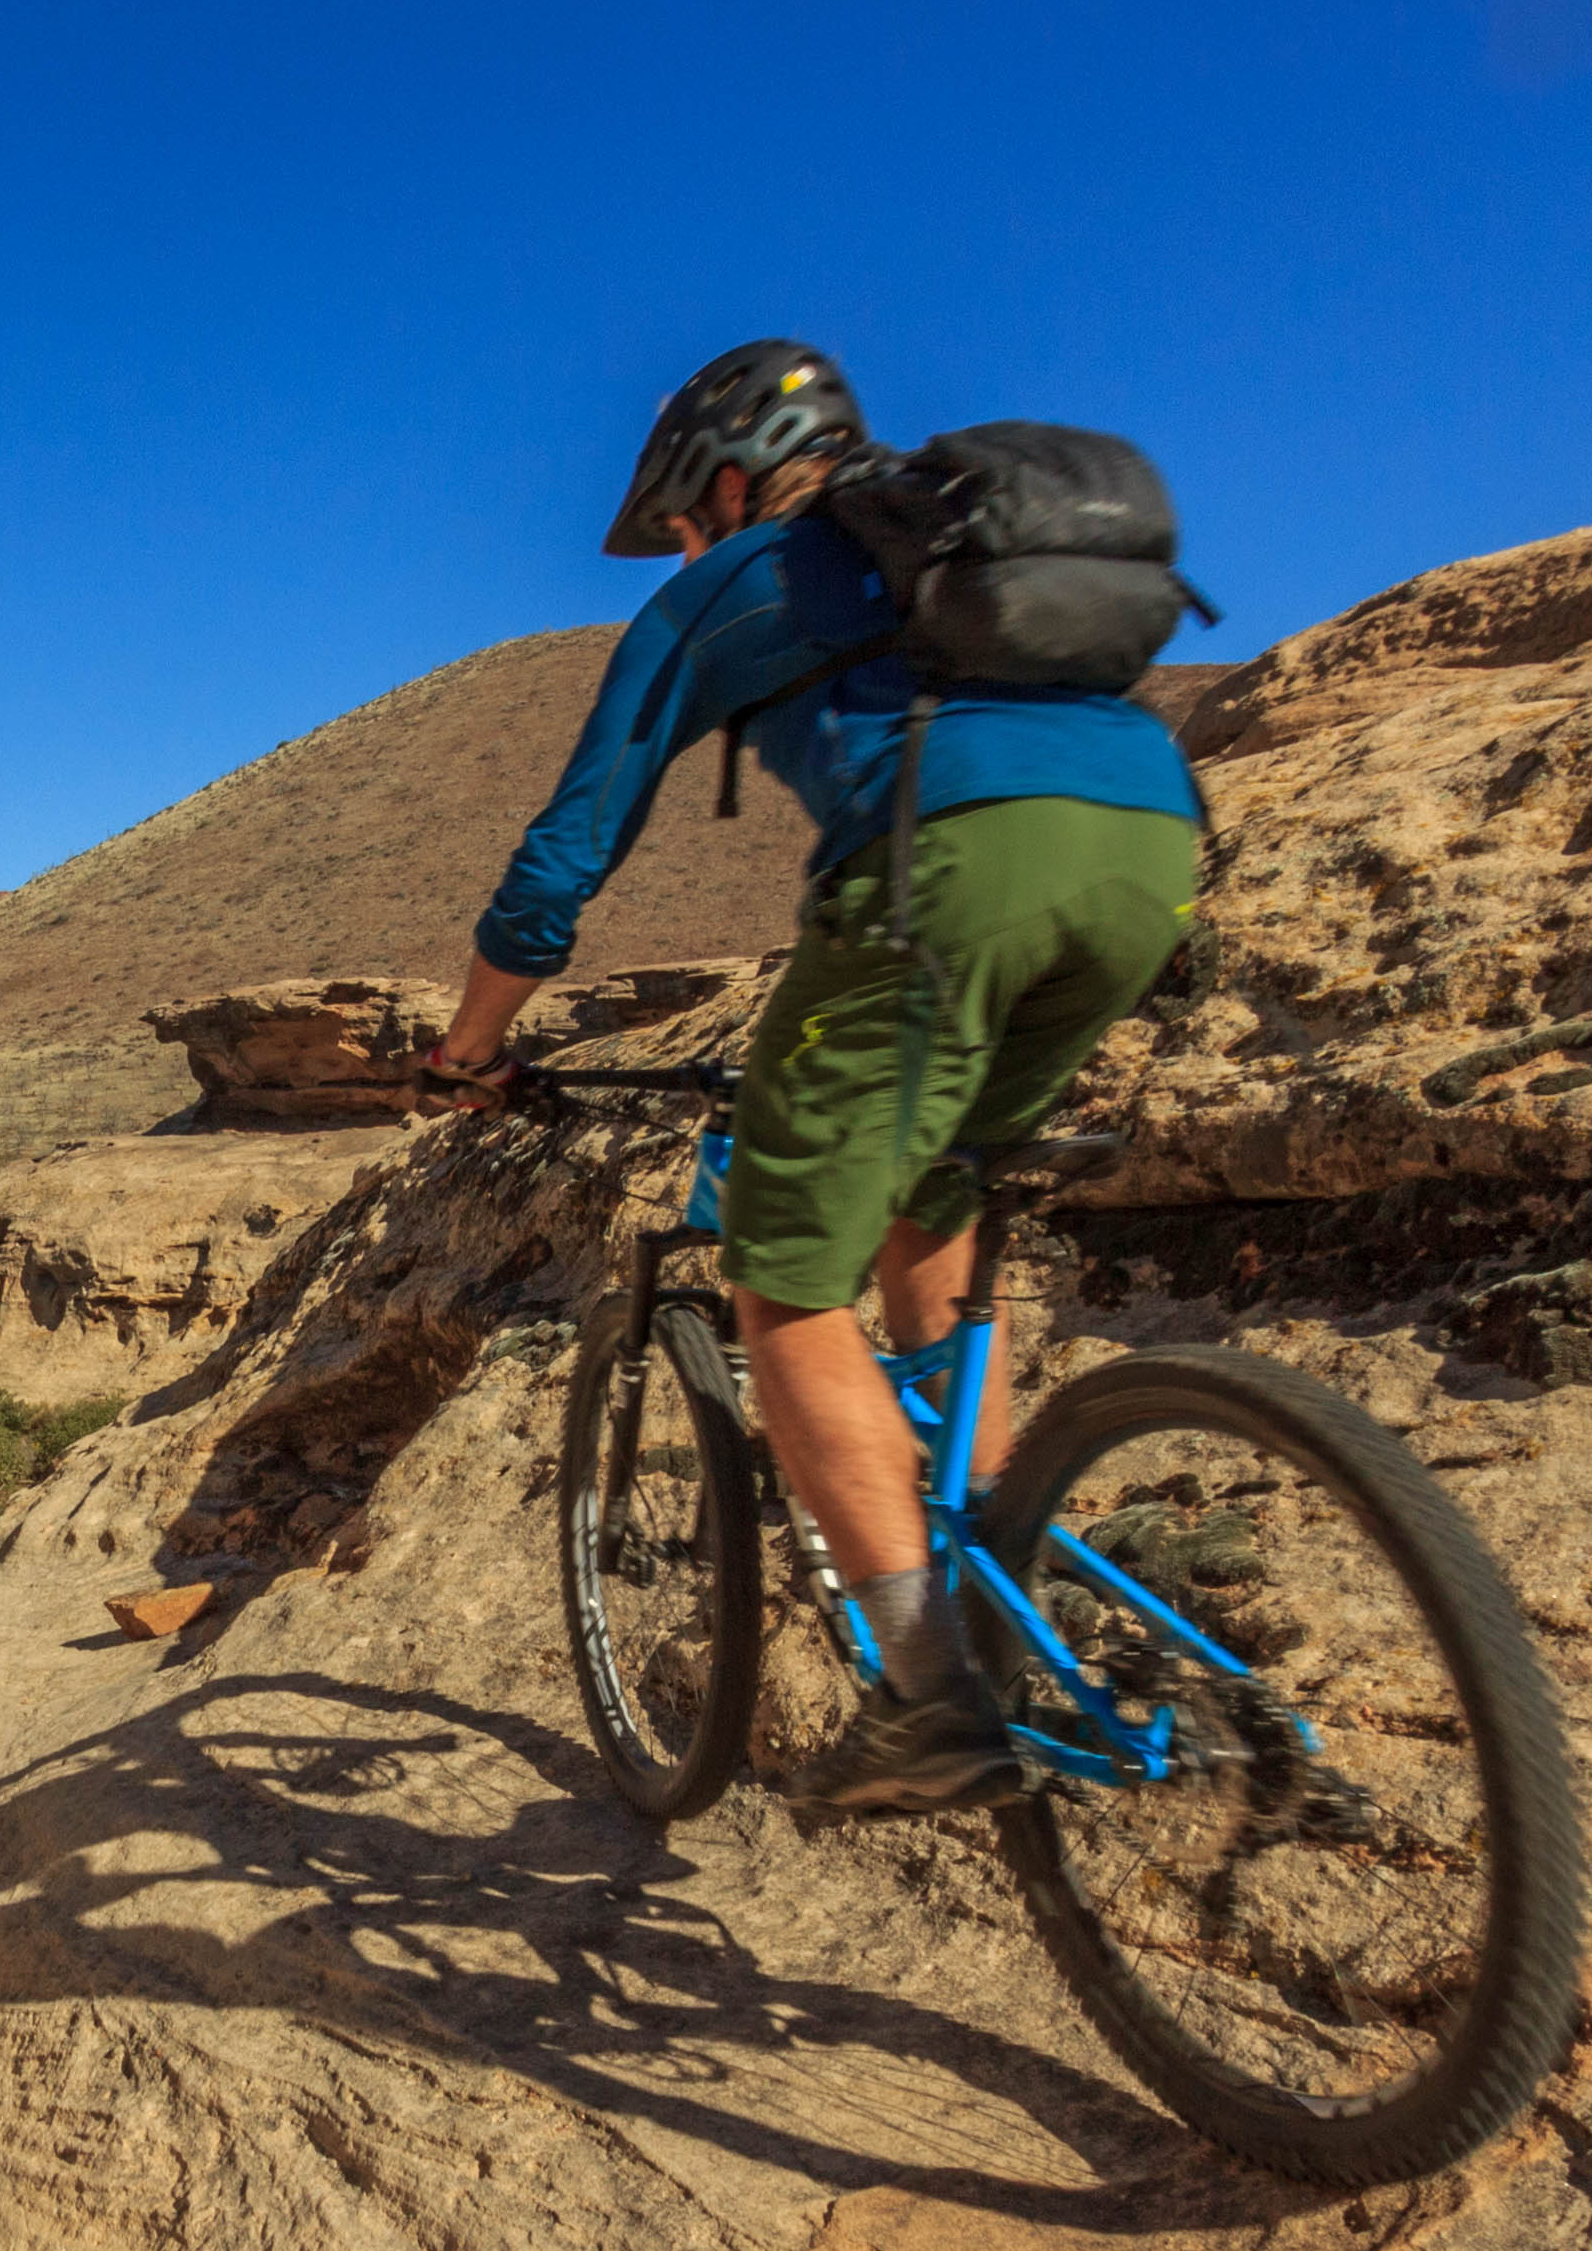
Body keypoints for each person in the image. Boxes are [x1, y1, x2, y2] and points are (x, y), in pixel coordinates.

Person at [417, 340, 1205, 1819]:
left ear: (722, 477)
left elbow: (565, 857)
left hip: (954, 866)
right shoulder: (951, 548)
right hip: (1151, 845)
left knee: (782, 1288)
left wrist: (470, 1049)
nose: (686, 546)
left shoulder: (729, 582)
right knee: (929, 1192)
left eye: (682, 518)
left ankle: (932, 1693)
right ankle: (978, 1566)